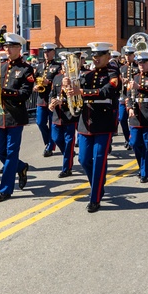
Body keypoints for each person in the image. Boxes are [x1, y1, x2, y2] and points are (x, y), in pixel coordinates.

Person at [62, 42, 120, 211]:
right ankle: (98, 182)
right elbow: (76, 89)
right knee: (83, 159)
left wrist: (82, 92)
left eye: (99, 55)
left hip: (103, 121)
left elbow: (106, 91)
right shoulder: (86, 73)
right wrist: (68, 85)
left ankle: (95, 197)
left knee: (99, 159)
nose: (96, 59)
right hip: (85, 121)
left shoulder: (113, 73)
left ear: (108, 56)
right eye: (94, 56)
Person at [0, 33, 34, 202]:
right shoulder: (1, 66)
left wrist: (3, 93)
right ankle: (21, 167)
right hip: (0, 116)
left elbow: (24, 94)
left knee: (11, 153)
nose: (6, 49)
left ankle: (5, 189)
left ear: (18, 48)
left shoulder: (26, 69)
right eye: (5, 47)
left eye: (10, 47)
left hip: (15, 116)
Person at [125, 51, 148, 183]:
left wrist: (139, 87)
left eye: (144, 62)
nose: (141, 65)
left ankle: (145, 172)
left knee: (147, 146)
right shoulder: (134, 77)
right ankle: (141, 166)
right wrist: (129, 107)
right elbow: (128, 95)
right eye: (139, 62)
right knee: (134, 143)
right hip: (135, 115)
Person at [48, 51, 79, 178]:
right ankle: (69, 154)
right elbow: (52, 93)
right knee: (56, 139)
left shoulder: (76, 79)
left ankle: (67, 168)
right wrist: (51, 102)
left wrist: (63, 101)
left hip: (69, 115)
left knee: (69, 141)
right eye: (63, 65)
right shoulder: (57, 78)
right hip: (57, 115)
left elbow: (77, 98)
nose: (65, 68)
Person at [34, 43, 61, 158]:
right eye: (45, 52)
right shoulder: (40, 66)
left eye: (48, 52)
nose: (46, 54)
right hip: (41, 98)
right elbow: (34, 79)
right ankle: (48, 142)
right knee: (40, 122)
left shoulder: (58, 66)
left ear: (53, 52)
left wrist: (49, 83)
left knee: (52, 123)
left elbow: (59, 82)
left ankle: (50, 146)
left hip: (51, 99)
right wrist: (35, 85)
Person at [117, 45, 136, 150]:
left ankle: (132, 139)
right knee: (122, 119)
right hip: (124, 96)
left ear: (134, 55)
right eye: (126, 55)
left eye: (130, 55)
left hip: (134, 96)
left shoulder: (138, 67)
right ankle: (127, 138)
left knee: (133, 119)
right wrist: (121, 81)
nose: (128, 57)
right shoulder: (122, 68)